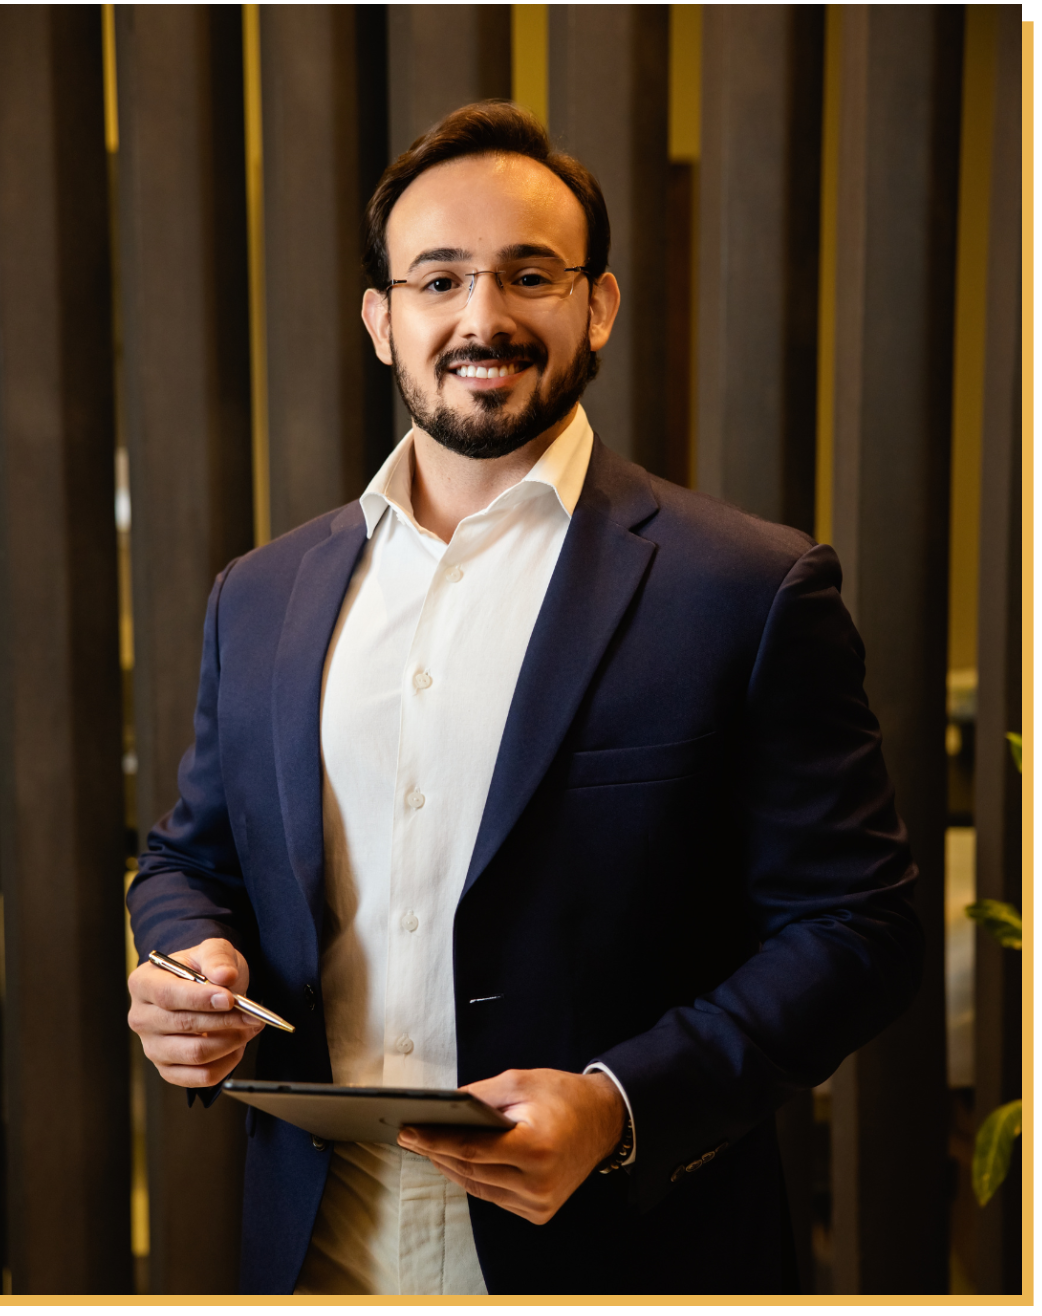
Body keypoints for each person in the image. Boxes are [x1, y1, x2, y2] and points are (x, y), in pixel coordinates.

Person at [126, 102, 923, 1297]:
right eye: (438, 278)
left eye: (528, 275)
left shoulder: (748, 589)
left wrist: (617, 1103)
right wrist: (186, 961)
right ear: (381, 321)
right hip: (317, 1256)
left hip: (630, 1257)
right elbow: (191, 856)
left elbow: (857, 928)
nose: (481, 316)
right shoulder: (260, 594)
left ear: (595, 305)